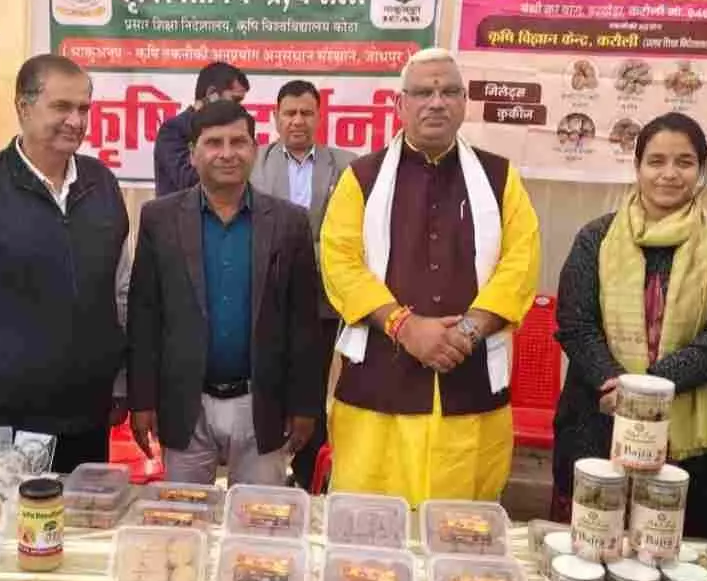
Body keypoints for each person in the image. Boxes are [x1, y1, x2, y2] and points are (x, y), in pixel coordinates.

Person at [319, 48, 541, 505]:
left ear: (464, 103)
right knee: (371, 523)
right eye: (423, 92)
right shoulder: (361, 178)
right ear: (400, 105)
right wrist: (405, 327)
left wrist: (467, 331)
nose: (436, 102)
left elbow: (521, 263)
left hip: (469, 386)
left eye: (449, 92)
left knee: (459, 527)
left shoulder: (500, 179)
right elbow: (340, 262)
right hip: (379, 387)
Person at [0, 55, 130, 471]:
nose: (75, 121)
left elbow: (120, 293)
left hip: (87, 416)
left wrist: (120, 382)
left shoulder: (102, 184)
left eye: (83, 108)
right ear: (23, 107)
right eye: (61, 107)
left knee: (78, 515)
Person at [551, 112, 707, 538]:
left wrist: (645, 390)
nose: (669, 174)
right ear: (637, 166)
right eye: (656, 161)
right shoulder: (596, 236)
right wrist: (614, 383)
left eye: (684, 162)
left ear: (702, 169)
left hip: (687, 441)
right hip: (597, 417)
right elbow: (575, 323)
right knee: (589, 546)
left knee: (669, 548)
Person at [128, 100, 321, 486]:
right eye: (214, 143)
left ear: (255, 148)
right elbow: (144, 314)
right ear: (192, 153)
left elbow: (303, 322)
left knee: (258, 517)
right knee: (184, 517)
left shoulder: (289, 222)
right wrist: (142, 400)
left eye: (239, 142)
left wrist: (305, 405)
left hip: (262, 404)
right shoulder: (159, 218)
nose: (228, 153)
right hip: (185, 403)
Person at [249, 79, 356, 489]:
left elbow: (344, 235)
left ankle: (311, 475)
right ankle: (267, 471)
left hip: (322, 298)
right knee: (270, 379)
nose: (297, 121)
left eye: (306, 113)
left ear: (319, 116)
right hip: (266, 296)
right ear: (275, 117)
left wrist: (299, 247)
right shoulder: (253, 163)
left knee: (312, 383)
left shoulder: (345, 165)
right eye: (289, 113)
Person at [153, 61, 248, 197]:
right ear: (212, 94)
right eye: (235, 100)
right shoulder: (173, 130)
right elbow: (188, 181)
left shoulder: (236, 131)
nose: (239, 108)